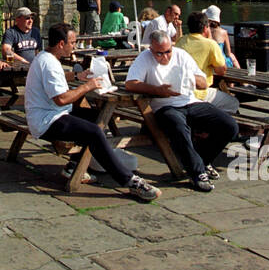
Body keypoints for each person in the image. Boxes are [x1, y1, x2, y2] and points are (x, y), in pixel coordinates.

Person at [24, 23, 160, 201]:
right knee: (94, 131)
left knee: (101, 118)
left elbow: (53, 82)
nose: (74, 46)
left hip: (53, 113)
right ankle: (129, 181)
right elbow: (61, 99)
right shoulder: (48, 63)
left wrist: (75, 77)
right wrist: (87, 86)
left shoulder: (45, 57)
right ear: (60, 44)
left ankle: (74, 166)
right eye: (72, 42)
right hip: (47, 120)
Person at [125, 29, 240, 192]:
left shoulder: (181, 55)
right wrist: (157, 90)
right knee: (177, 125)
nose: (165, 57)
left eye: (168, 52)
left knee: (229, 126)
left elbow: (203, 83)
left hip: (190, 101)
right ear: (151, 49)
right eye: (159, 54)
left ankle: (201, 160)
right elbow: (130, 84)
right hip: (164, 105)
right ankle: (197, 173)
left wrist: (188, 78)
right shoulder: (144, 58)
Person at [176, 11, 241, 115]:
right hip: (199, 92)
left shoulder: (180, 41)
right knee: (233, 103)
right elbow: (221, 71)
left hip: (180, 91)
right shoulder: (210, 44)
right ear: (206, 28)